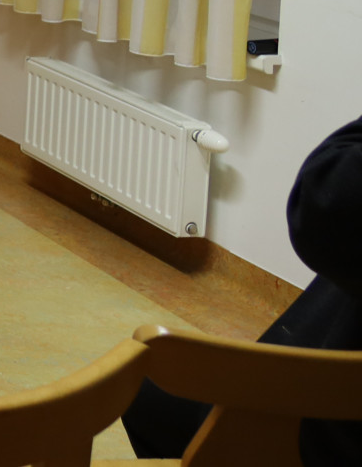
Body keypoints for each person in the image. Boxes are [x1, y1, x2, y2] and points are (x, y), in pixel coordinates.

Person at [122, 112, 362, 464]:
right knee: (149, 391)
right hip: (322, 392)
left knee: (145, 381)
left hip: (318, 431)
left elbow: (325, 203)